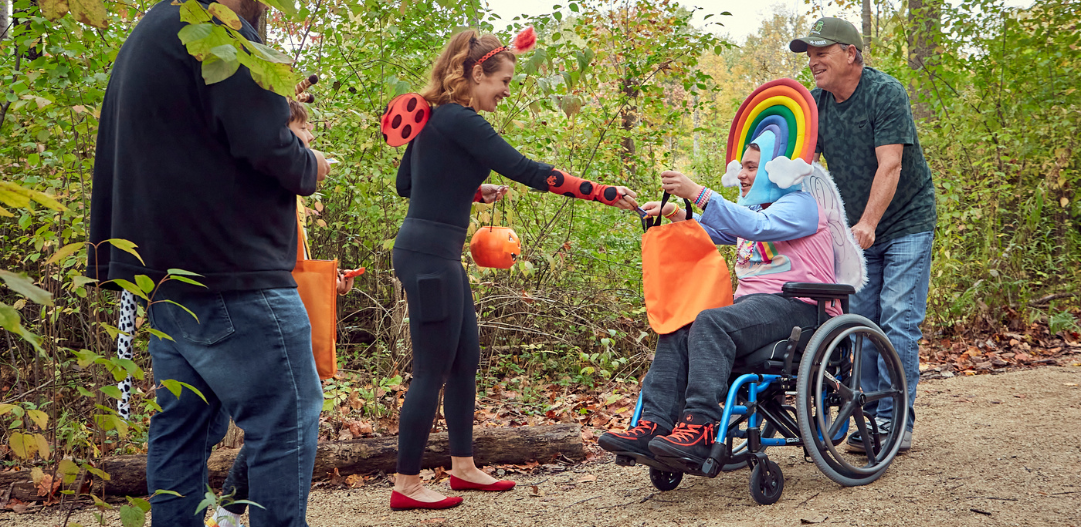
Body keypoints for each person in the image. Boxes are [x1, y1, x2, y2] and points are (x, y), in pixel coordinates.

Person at [87, 0, 331, 525]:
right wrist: (311, 162)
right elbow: (268, 145)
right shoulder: (219, 32)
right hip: (230, 273)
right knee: (287, 417)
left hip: (163, 276)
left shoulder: (153, 29)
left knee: (184, 426)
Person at [388, 28, 639, 511]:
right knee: (431, 371)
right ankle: (406, 483)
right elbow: (526, 169)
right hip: (429, 259)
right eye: (502, 80)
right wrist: (601, 191)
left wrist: (471, 190)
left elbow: (407, 185)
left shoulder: (435, 119)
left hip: (433, 252)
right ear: (474, 72)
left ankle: (463, 466)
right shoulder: (463, 121)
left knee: (465, 360)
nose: (505, 90)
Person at [599, 131, 838, 465]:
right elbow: (722, 230)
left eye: (752, 167)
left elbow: (757, 226)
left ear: (775, 169)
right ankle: (653, 424)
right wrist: (675, 214)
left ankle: (699, 426)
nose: (741, 174)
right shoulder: (756, 208)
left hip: (801, 306)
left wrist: (698, 193)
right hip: (753, 308)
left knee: (711, 320)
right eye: (742, 166)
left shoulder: (802, 205)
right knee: (680, 320)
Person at [206, 99, 357, 527]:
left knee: (278, 417)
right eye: (304, 129)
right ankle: (232, 509)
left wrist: (329, 281)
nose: (310, 138)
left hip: (274, 299)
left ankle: (229, 509)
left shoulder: (284, 192)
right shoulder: (263, 178)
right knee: (282, 414)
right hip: (262, 308)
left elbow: (290, 254)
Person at [789, 17, 936, 452]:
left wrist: (869, 222)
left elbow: (890, 164)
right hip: (857, 229)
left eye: (821, 53)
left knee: (898, 321)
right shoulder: (815, 106)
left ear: (850, 53)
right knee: (862, 325)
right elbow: (797, 172)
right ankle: (868, 416)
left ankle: (894, 424)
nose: (813, 62)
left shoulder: (884, 92)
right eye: (809, 55)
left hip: (905, 220)